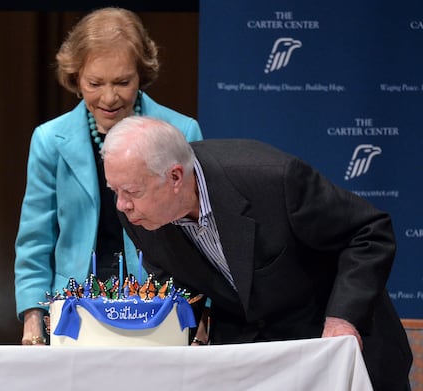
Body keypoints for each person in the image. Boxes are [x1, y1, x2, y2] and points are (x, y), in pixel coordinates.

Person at [101, 116, 413, 391]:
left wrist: (343, 320)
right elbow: (176, 286)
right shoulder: (140, 214)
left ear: (174, 178)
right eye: (115, 191)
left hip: (332, 347)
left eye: (131, 192)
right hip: (255, 362)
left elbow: (368, 233)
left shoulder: (274, 179)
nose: (121, 205)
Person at [14, 7, 203, 346]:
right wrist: (32, 315)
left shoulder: (181, 132)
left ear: (141, 75)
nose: (109, 97)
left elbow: (203, 235)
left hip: (160, 308)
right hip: (74, 311)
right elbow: (36, 238)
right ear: (75, 78)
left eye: (122, 82)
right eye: (95, 83)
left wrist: (204, 314)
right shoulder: (49, 140)